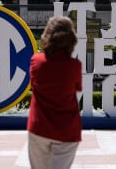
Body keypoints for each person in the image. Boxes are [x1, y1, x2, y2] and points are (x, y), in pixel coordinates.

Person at [27, 16, 82, 169]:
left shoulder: (36, 61)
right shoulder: (74, 66)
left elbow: (33, 85)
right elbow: (76, 88)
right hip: (67, 130)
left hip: (39, 128)